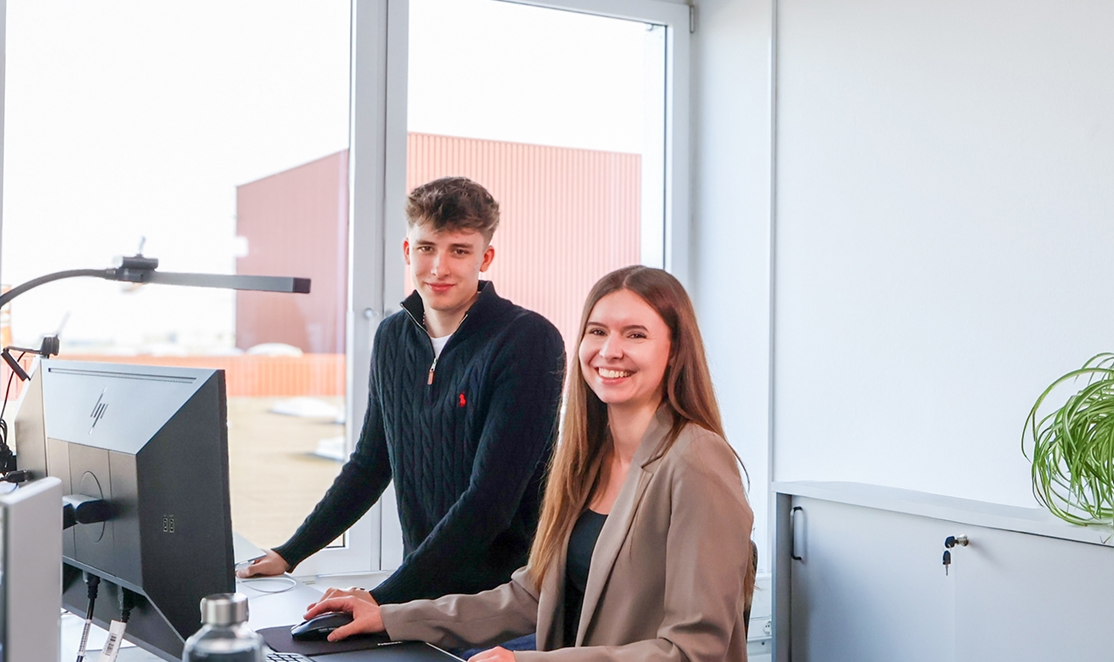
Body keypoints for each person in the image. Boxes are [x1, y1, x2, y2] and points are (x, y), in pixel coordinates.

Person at [308, 265, 754, 662]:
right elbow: (530, 596)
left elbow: (695, 649)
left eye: (635, 334)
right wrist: (388, 617)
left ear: (675, 351)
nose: (609, 350)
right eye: (597, 332)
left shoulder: (695, 460)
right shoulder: (585, 460)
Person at [238, 176, 567, 608]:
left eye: (459, 251)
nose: (439, 268)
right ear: (408, 250)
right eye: (428, 248)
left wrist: (381, 598)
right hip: (424, 593)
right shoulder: (392, 336)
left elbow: (489, 503)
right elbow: (371, 463)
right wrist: (290, 553)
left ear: (485, 258)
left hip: (508, 602)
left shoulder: (527, 341)